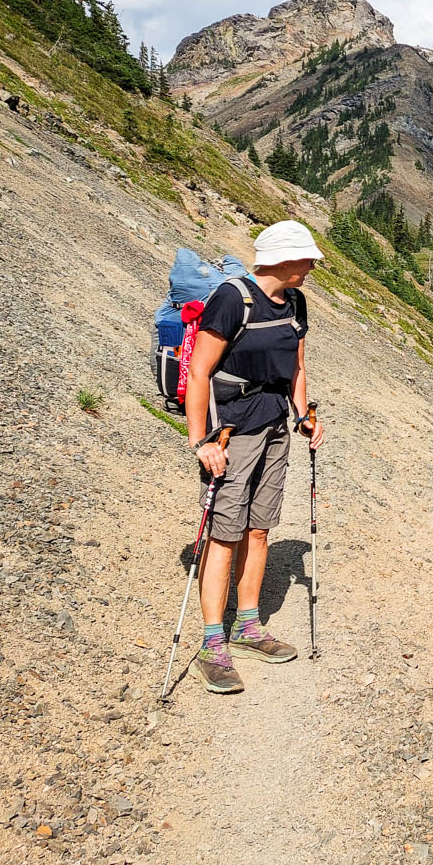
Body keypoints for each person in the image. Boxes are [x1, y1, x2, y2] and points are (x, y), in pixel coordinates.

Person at [184, 220, 327, 693]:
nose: (311, 267)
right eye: (306, 259)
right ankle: (211, 643)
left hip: (274, 427)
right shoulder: (232, 299)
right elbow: (200, 371)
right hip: (231, 432)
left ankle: (246, 626)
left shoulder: (297, 303)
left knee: (259, 526)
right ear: (283, 258)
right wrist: (201, 440)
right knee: (224, 533)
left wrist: (304, 414)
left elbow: (298, 367)